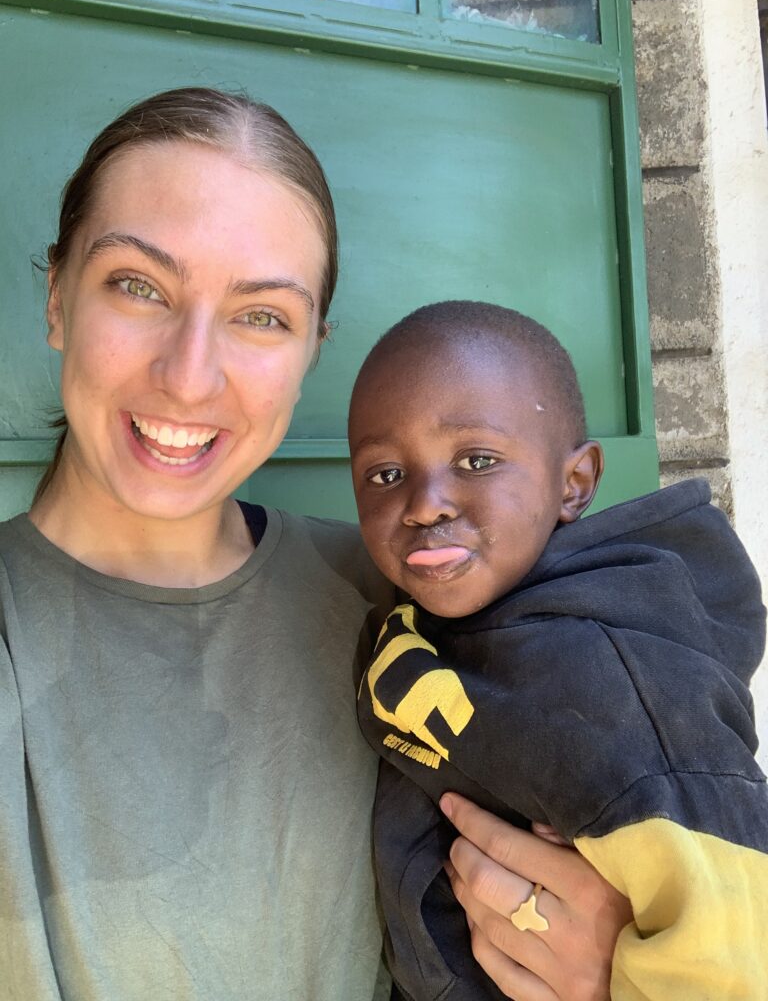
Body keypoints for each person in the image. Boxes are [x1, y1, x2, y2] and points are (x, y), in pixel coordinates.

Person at [0, 90, 630, 1001]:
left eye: (262, 315)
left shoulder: (416, 599)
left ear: (311, 353)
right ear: (57, 295)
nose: (189, 377)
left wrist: (617, 962)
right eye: (139, 287)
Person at [349, 300, 768, 1001]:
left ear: (573, 484)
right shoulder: (439, 615)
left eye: (477, 460)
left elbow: (732, 939)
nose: (424, 504)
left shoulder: (617, 682)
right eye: (385, 475)